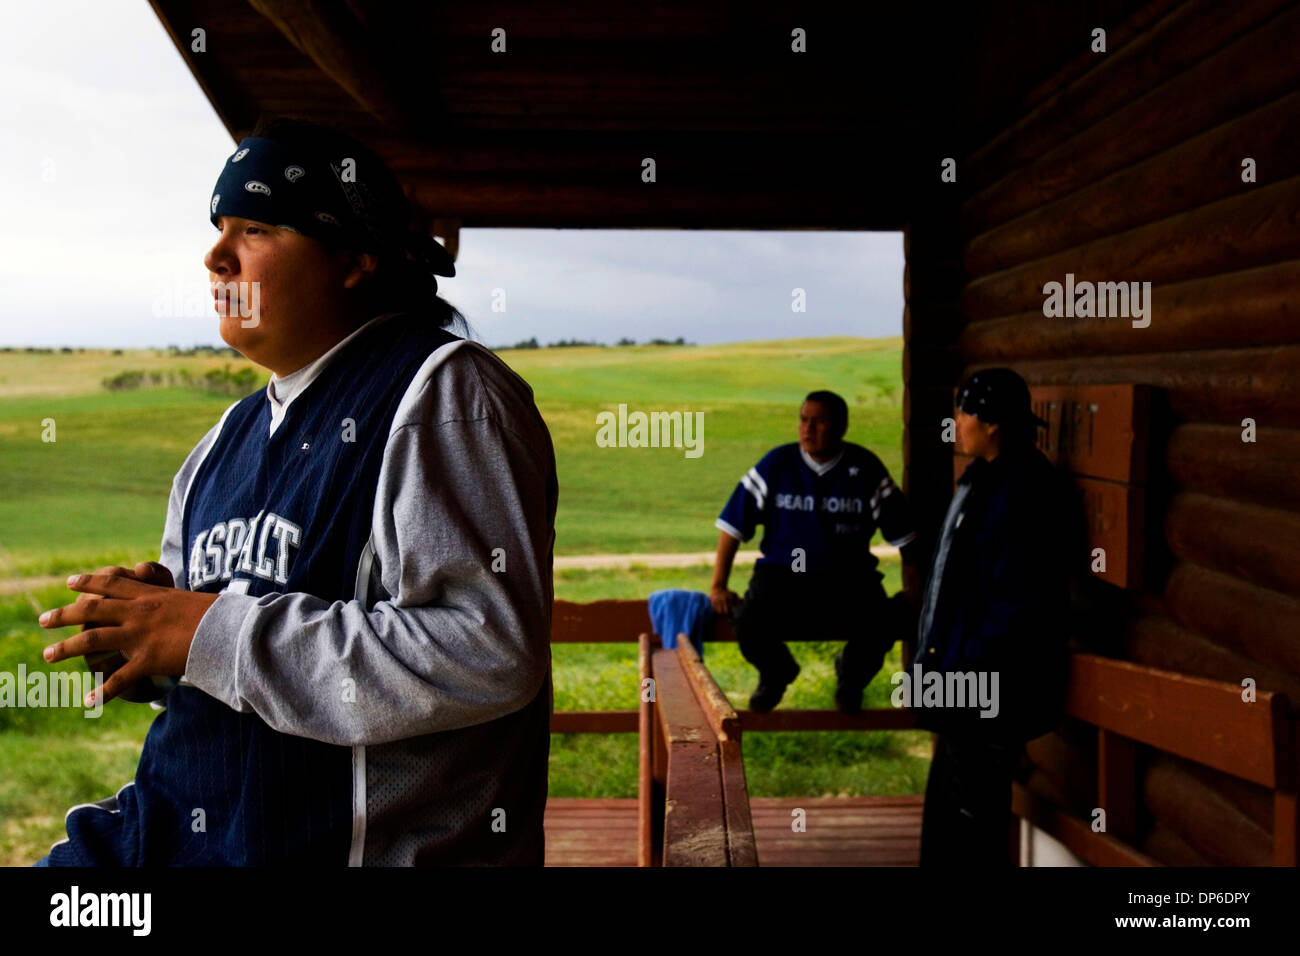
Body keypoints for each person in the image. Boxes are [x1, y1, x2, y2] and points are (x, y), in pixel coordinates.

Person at [33, 116, 558, 866]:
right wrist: (150, 643)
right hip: (168, 836)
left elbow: (488, 651)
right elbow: (224, 665)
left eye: (256, 228)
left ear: (354, 258)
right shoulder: (223, 442)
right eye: (218, 228)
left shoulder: (442, 394)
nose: (216, 256)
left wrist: (206, 631)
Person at [912, 368, 1072, 867]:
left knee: (971, 822)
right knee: (948, 816)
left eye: (964, 412)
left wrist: (964, 671)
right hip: (963, 681)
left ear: (992, 425)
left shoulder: (1024, 491)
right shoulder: (982, 478)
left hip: (987, 689)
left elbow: (1017, 603)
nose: (956, 422)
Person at [710, 390, 921, 714]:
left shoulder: (865, 468)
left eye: (819, 421)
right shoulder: (777, 464)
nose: (808, 429)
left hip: (849, 578)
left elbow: (906, 539)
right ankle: (776, 672)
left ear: (841, 427)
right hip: (783, 575)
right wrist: (718, 585)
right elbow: (731, 527)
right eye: (803, 420)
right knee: (748, 619)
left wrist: (914, 591)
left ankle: (850, 677)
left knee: (883, 621)